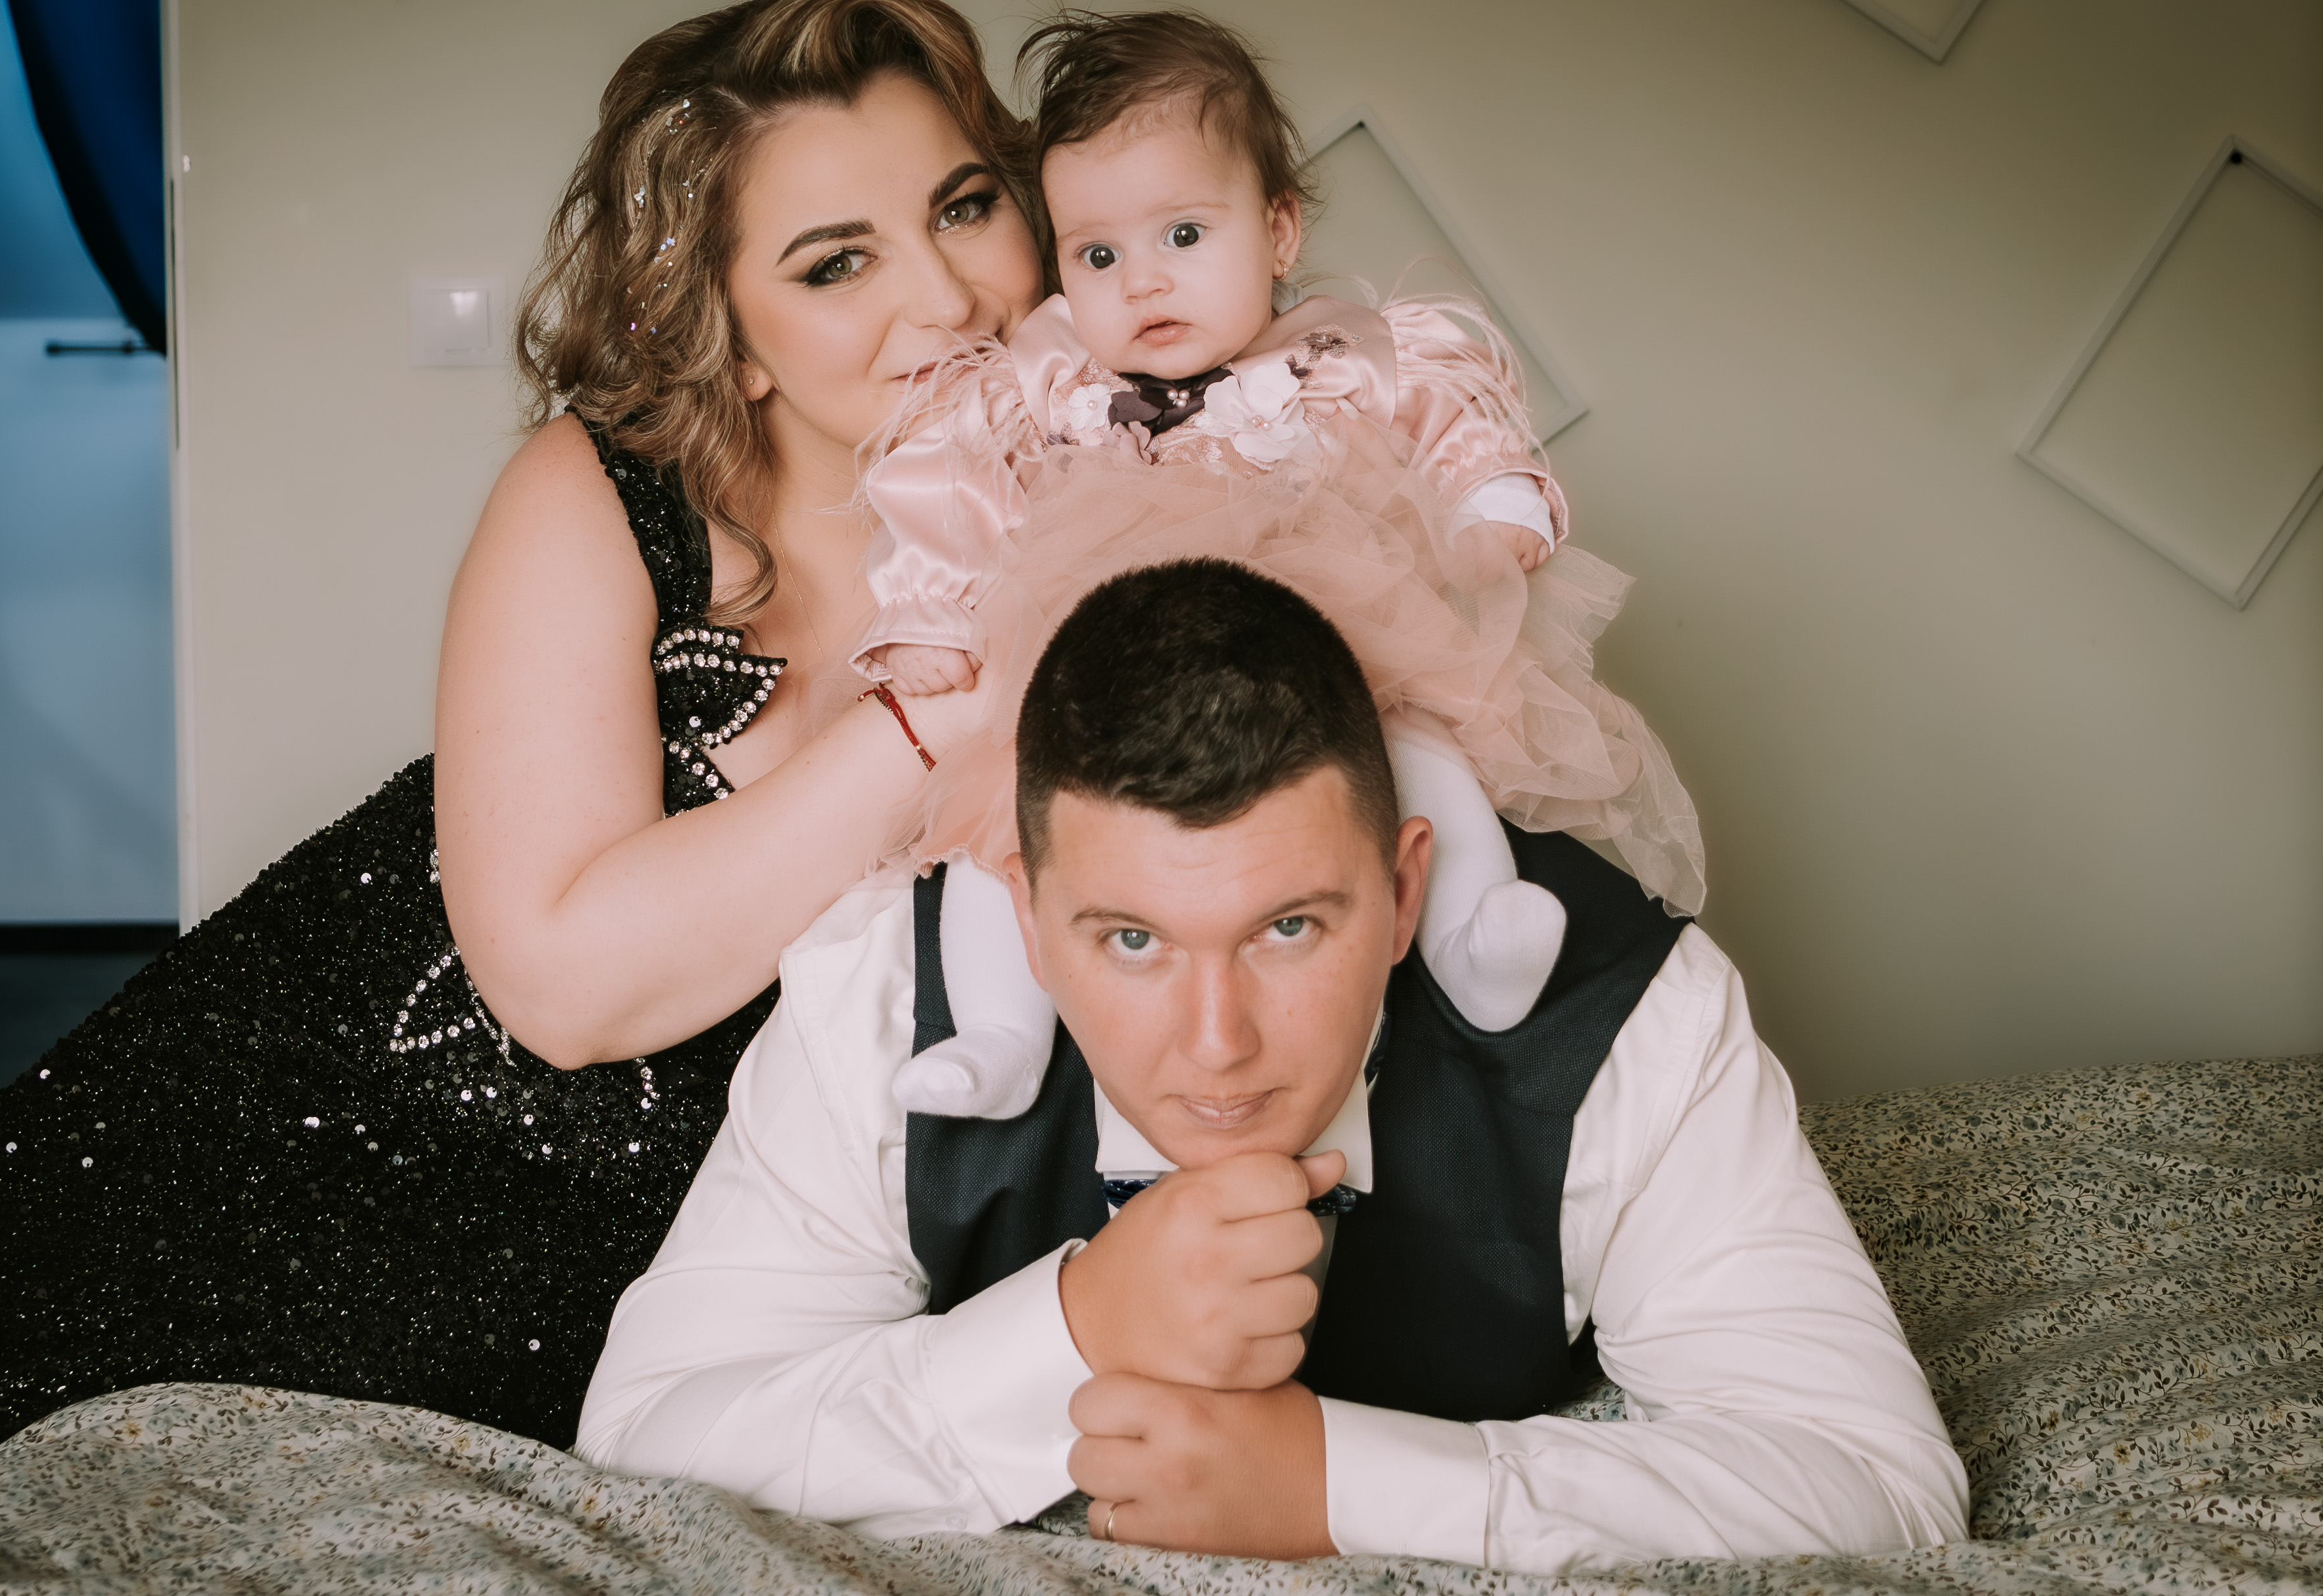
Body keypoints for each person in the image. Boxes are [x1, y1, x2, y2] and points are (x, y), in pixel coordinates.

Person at [0, 0, 1038, 1596]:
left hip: (671, 1267)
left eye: (966, 205)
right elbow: (566, 983)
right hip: (324, 1141)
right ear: (731, 336)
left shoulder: (1121, 493)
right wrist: (933, 722)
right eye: (835, 262)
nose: (948, 296)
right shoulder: (601, 492)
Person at [577, 559, 1967, 1570]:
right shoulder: (887, 997)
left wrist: (1339, 1484)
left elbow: (1877, 1482)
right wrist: (1074, 1332)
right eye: (1130, 939)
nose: (1216, 1041)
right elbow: (639, 1445)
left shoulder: (1626, 1012)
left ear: (1406, 890)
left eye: (1289, 927)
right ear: (1025, 918)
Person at [848, 12, 1703, 1128]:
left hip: (1329, 639)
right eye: (1098, 255)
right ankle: (999, 1035)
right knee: (1007, 815)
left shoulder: (1339, 359)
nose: (1142, 283)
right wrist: (931, 613)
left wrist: (1491, 505)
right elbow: (956, 486)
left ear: (1278, 230)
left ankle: (1471, 940)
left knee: (1409, 753)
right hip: (1104, 670)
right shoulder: (1045, 381)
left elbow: (1453, 422)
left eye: (1183, 236)